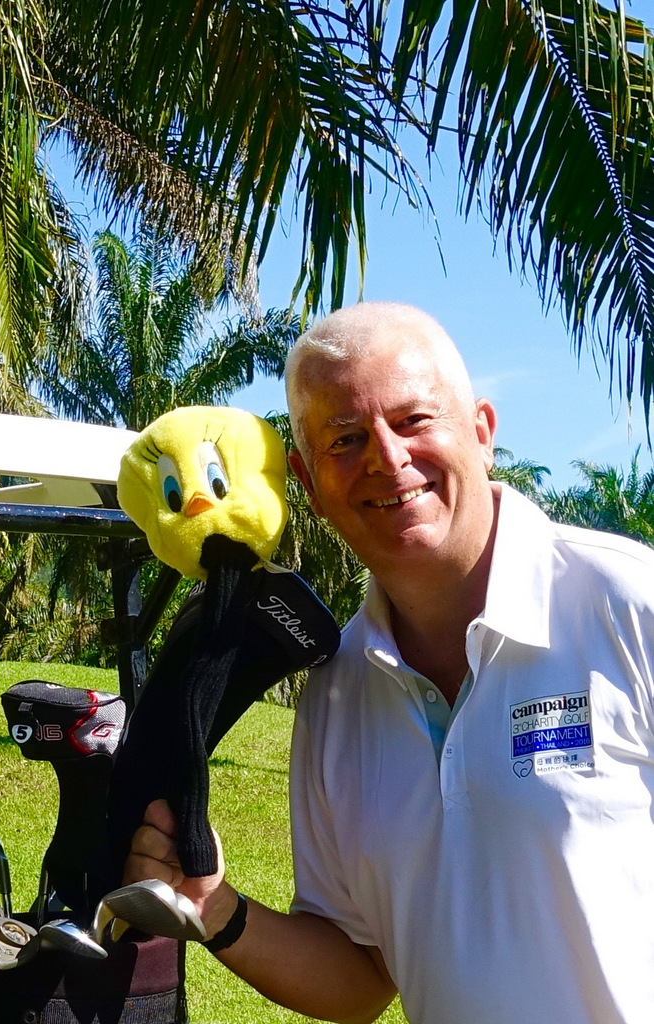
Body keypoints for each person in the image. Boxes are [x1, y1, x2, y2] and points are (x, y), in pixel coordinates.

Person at [125, 302, 654, 1024]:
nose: (385, 456)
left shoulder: (629, 605)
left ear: (483, 433)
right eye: (344, 439)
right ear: (309, 485)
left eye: (413, 420)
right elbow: (365, 977)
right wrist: (214, 907)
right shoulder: (335, 694)